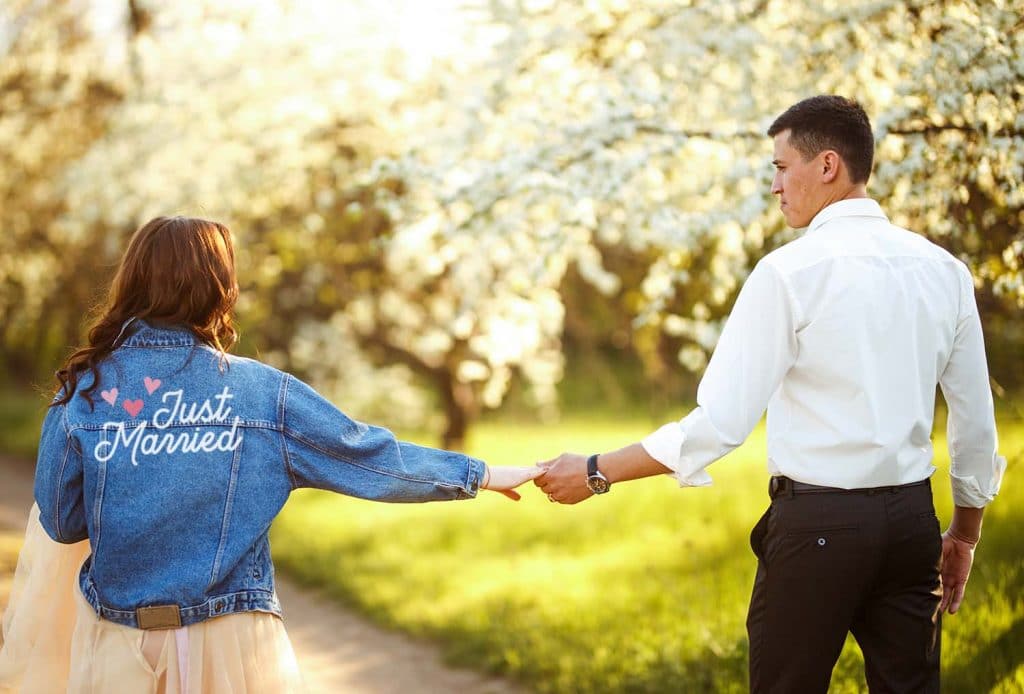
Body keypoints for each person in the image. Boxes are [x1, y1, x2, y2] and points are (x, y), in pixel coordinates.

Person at [534, 95, 1005, 693]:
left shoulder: (788, 273)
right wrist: (963, 533)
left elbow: (719, 424)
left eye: (782, 168)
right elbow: (974, 421)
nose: (776, 186)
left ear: (827, 165)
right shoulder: (944, 271)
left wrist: (597, 471)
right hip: (912, 525)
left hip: (817, 529)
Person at [1, 215, 540, 693]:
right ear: (220, 287)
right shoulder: (265, 394)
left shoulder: (86, 391)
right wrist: (482, 473)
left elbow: (64, 522)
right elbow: (369, 457)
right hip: (231, 640)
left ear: (133, 282)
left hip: (117, 641)